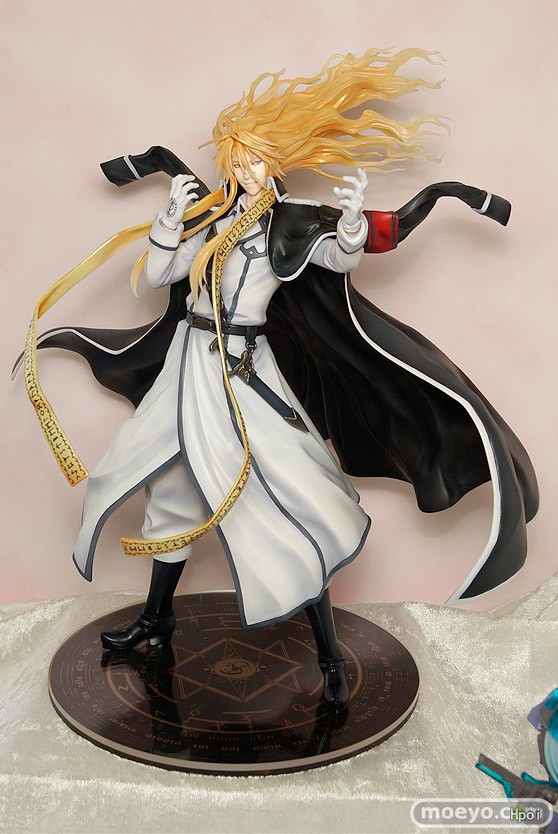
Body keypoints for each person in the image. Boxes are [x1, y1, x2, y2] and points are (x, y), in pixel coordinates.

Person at [20, 49, 538, 713]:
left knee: (292, 500)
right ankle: (157, 619)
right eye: (237, 162)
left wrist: (349, 226)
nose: (244, 172)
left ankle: (328, 655)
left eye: (255, 161)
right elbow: (158, 277)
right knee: (167, 489)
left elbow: (339, 258)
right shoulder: (211, 218)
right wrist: (168, 225)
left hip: (245, 376)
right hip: (189, 369)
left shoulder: (287, 224)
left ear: (273, 163)